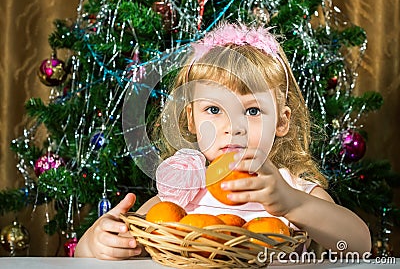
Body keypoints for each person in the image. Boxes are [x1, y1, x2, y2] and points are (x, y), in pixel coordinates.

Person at [74, 22, 371, 260]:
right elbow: (119, 240)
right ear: (191, 120)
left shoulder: (292, 189)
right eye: (214, 110)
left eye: (252, 110)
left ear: (281, 121)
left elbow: (359, 245)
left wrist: (291, 203)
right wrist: (95, 242)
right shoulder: (184, 189)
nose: (233, 127)